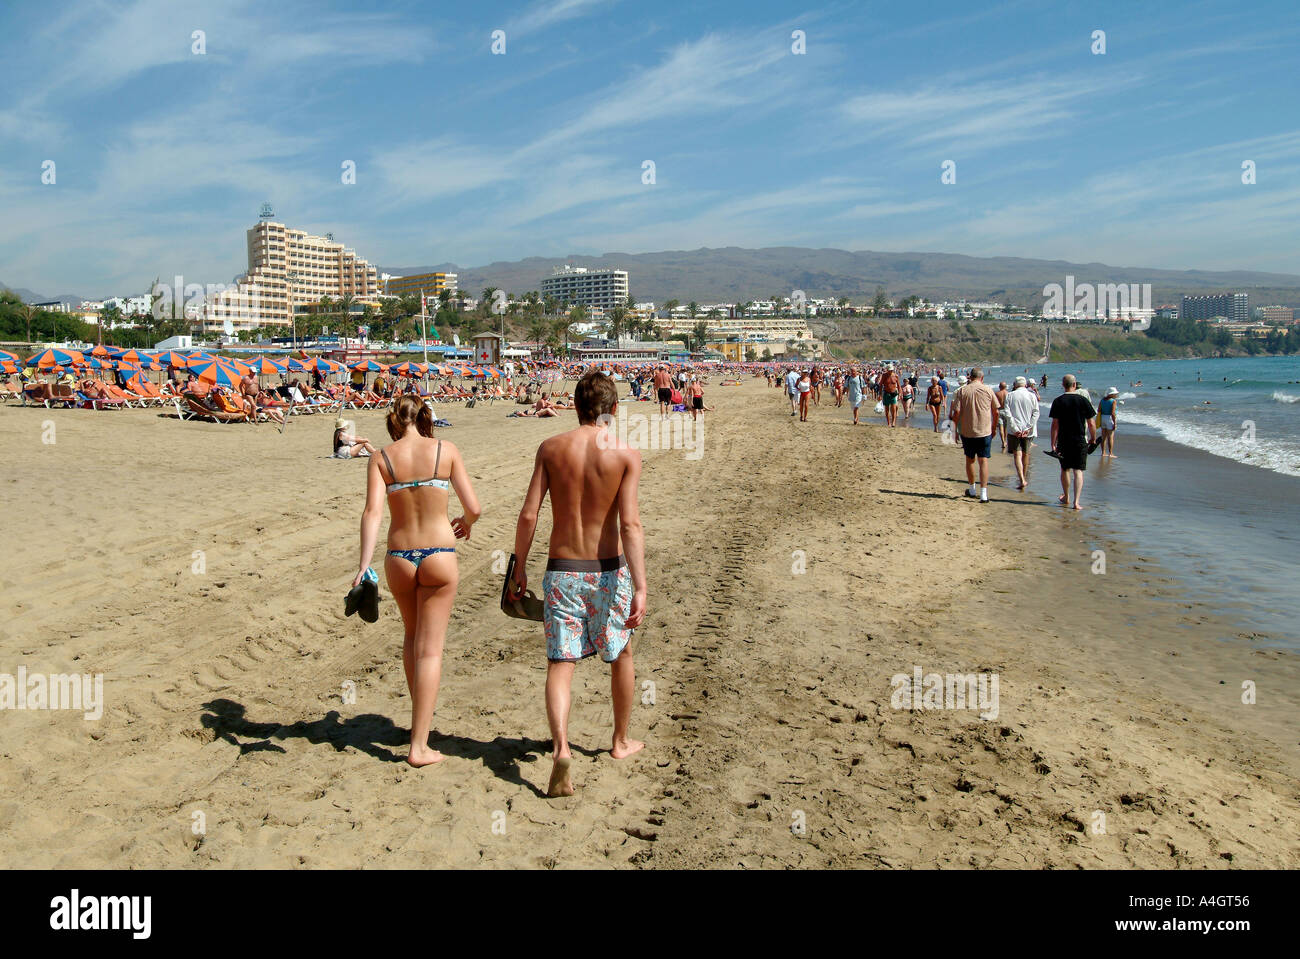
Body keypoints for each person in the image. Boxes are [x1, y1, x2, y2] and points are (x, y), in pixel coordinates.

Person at [508, 371, 647, 797]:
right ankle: (620, 741)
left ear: (575, 406)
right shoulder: (624, 453)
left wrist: (519, 566)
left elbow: (529, 514)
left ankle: (561, 747)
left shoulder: (552, 448)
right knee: (620, 652)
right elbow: (630, 524)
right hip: (607, 568)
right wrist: (640, 585)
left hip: (562, 568)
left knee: (560, 663)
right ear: (614, 410)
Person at [355, 394, 480, 767]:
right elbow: (473, 507)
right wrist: (466, 524)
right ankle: (419, 746)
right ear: (424, 416)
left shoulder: (382, 457)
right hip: (439, 553)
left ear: (394, 420)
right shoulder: (445, 449)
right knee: (431, 649)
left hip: (399, 558)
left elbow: (372, 513)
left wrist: (363, 565)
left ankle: (418, 727)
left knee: (412, 638)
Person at [948, 367, 1000, 503]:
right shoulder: (988, 389)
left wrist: (953, 430)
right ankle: (984, 494)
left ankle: (972, 489)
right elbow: (996, 411)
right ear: (982, 378)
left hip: (967, 430)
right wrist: (994, 428)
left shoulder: (963, 390)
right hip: (984, 430)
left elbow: (957, 412)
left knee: (970, 460)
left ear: (970, 377)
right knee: (983, 461)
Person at [1048, 374, 1097, 510]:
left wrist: (1053, 442)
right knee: (1078, 470)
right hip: (1080, 439)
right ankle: (1076, 502)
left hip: (1063, 440)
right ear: (1074, 384)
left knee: (1065, 469)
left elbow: (1055, 425)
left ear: (1063, 385)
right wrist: (1093, 438)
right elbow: (1091, 422)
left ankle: (1066, 497)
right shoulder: (1082, 400)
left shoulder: (1058, 401)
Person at [1004, 376, 1039, 490]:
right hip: (1028, 431)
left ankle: (1022, 479)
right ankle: (1023, 477)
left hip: (1015, 431)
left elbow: (1008, 414)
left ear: (1015, 385)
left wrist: (1015, 428)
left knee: (1017, 455)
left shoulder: (1010, 395)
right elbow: (1036, 413)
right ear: (1025, 385)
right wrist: (1028, 427)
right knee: (1026, 454)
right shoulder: (1032, 395)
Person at [1096, 387, 1120, 458]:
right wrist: (1115, 423)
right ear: (1112, 394)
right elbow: (1113, 413)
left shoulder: (1102, 400)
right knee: (1110, 437)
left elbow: (1098, 410)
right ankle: (1111, 453)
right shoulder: (1113, 401)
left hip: (1103, 417)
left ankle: (1103, 453)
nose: (1116, 395)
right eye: (1115, 394)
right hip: (1109, 418)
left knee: (1103, 437)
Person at [994, 381, 1010, 451]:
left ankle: (1003, 442)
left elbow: (994, 403)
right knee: (1005, 427)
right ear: (1006, 387)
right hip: (1006, 411)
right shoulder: (1008, 394)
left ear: (999, 387)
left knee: (1001, 427)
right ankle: (1005, 441)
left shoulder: (997, 393)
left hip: (999, 411)